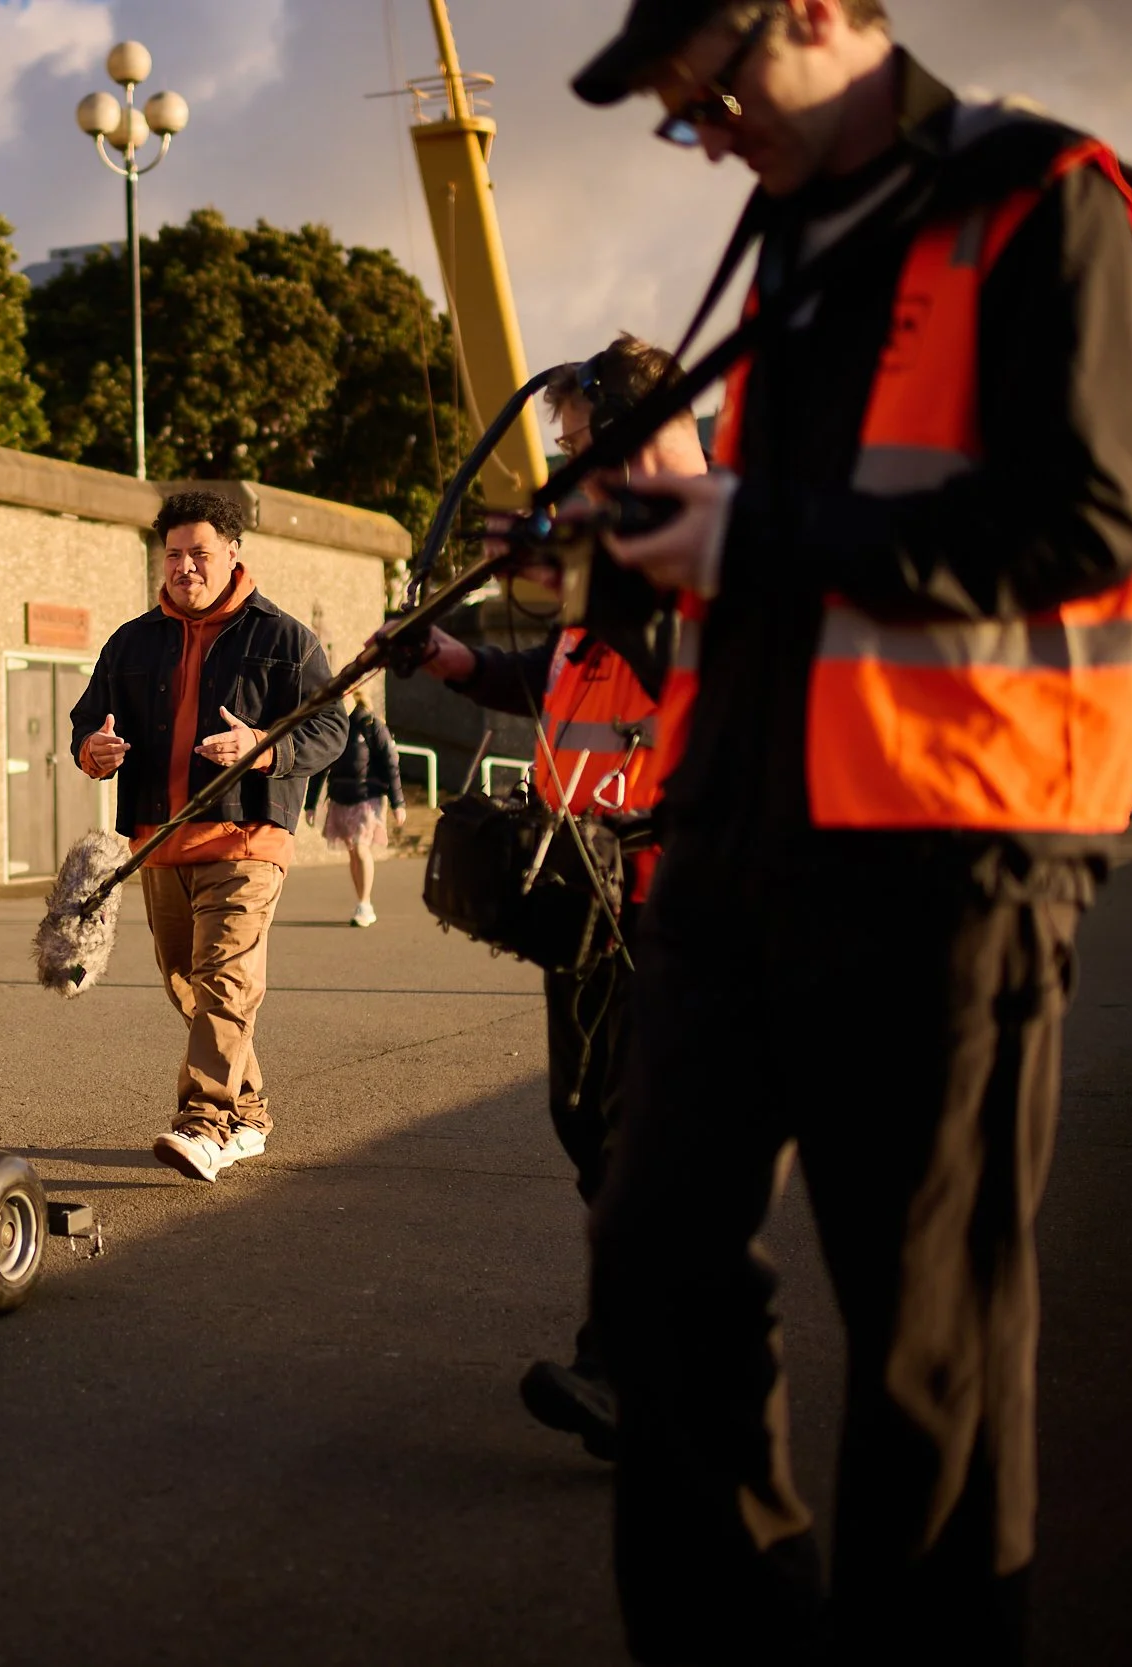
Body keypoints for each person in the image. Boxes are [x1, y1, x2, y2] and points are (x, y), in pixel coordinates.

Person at [569, 2, 1132, 1660]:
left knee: (929, 1334)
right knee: (654, 1253)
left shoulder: (1047, 197)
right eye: (684, 119)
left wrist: (755, 529)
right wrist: (655, 543)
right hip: (746, 840)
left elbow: (1087, 512)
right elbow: (788, 562)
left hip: (954, 853)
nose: (706, 137)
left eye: (712, 94)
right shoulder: (794, 248)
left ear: (822, 10)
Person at [401, 334, 704, 1462]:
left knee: (636, 1140)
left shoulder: (695, 543)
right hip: (585, 887)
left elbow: (683, 666)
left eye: (577, 448)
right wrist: (448, 659)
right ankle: (653, 1358)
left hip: (665, 889)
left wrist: (588, 556)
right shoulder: (619, 555)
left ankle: (631, 1371)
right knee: (592, 1127)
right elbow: (565, 674)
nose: (565, 471)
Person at [70, 488, 349, 1183]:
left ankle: (204, 1122)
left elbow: (329, 728)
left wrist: (262, 744)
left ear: (233, 553)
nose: (184, 567)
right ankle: (249, 1112)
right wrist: (91, 750)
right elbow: (87, 721)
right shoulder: (131, 641)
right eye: (173, 554)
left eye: (198, 553)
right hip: (158, 840)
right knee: (188, 986)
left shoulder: (284, 639)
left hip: (248, 837)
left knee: (225, 981)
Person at [304, 688, 407, 925]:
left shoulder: (372, 725)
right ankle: (362, 901)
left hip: (366, 796)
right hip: (341, 796)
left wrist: (397, 802)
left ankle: (365, 903)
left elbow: (391, 764)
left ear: (353, 697)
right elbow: (321, 764)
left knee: (361, 847)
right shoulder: (333, 728)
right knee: (353, 850)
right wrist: (311, 804)